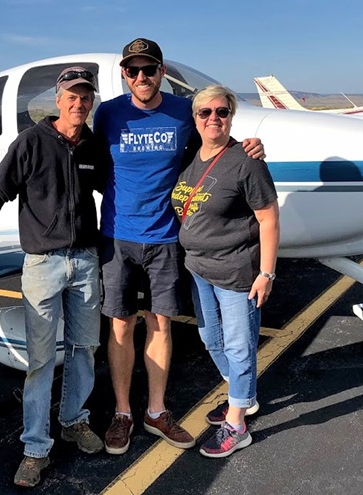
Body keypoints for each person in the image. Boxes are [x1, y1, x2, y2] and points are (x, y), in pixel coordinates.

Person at [93, 38, 265, 455]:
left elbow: (212, 143)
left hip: (166, 238)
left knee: (161, 324)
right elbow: (98, 167)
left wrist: (249, 147)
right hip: (118, 235)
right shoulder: (108, 114)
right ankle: (122, 413)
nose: (141, 77)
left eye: (148, 69)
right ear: (123, 74)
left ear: (161, 72)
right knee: (120, 325)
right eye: (132, 70)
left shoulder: (180, 113)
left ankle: (155, 411)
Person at [0, 67, 106, 487]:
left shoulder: (91, 143)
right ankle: (35, 447)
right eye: (71, 95)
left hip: (85, 260)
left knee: (84, 348)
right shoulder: (31, 142)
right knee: (39, 361)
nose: (78, 102)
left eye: (85, 96)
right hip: (43, 264)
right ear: (58, 99)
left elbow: (121, 185)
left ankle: (74, 420)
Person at [170, 85, 279, 458]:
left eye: (222, 112)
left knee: (238, 344)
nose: (213, 118)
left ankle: (237, 424)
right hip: (199, 269)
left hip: (237, 272)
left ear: (231, 116)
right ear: (195, 118)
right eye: (205, 112)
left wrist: (266, 273)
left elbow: (268, 219)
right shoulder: (189, 157)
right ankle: (242, 397)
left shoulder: (247, 160)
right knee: (210, 339)